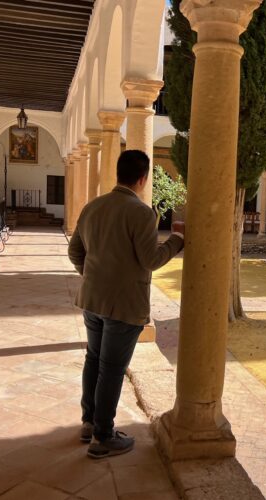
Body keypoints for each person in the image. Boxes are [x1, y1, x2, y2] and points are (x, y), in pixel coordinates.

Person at [68, 150, 185, 459]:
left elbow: (74, 252)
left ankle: (89, 423)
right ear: (143, 178)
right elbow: (151, 259)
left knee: (94, 360)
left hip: (93, 300)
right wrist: (176, 241)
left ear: (118, 173)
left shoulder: (93, 207)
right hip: (124, 307)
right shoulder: (141, 213)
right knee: (111, 369)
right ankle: (103, 437)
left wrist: (94, 277)